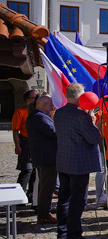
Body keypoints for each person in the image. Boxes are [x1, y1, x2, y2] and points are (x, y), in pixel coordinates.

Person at [54, 83, 102, 239]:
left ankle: (63, 232)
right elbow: (94, 138)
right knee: (77, 200)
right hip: (79, 163)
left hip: (64, 161)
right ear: (79, 96)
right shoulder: (81, 116)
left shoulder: (59, 113)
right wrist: (93, 122)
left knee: (64, 198)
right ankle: (74, 236)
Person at [27, 95, 57, 224]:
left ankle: (44, 213)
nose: (52, 108)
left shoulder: (37, 116)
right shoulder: (40, 117)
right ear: (44, 105)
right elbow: (54, 132)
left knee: (45, 187)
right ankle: (44, 216)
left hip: (44, 157)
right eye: (51, 105)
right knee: (47, 188)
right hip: (46, 158)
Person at [13, 89, 38, 203]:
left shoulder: (37, 111)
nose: (36, 100)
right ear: (28, 100)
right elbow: (15, 130)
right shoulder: (20, 112)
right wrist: (17, 146)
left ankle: (31, 196)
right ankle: (19, 195)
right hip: (25, 142)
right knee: (26, 170)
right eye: (34, 98)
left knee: (34, 172)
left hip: (36, 143)